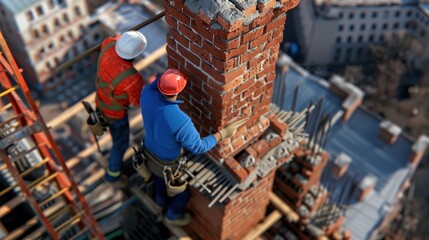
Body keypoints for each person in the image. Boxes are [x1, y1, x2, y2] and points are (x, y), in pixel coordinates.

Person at [140, 68, 246, 226]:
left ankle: (159, 204)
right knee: (183, 195)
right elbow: (199, 147)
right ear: (181, 90)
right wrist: (223, 134)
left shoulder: (146, 94)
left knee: (158, 182)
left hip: (149, 155)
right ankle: (171, 216)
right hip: (168, 166)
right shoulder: (181, 121)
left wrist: (168, 77)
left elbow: (157, 84)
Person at [95, 30, 147, 187]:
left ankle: (113, 172)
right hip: (115, 114)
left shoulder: (107, 45)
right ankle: (112, 174)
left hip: (101, 102)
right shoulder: (132, 78)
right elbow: (137, 102)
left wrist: (125, 38)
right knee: (121, 143)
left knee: (117, 139)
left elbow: (115, 39)